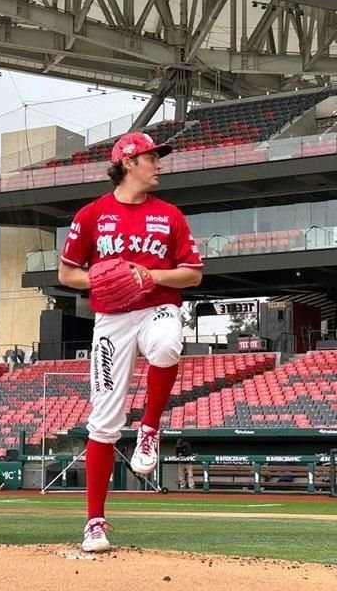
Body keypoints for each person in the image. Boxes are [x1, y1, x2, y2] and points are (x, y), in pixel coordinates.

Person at [57, 132, 203, 552]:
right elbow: (68, 275)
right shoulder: (92, 215)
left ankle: (150, 428)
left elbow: (192, 274)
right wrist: (104, 279)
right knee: (103, 422)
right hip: (112, 318)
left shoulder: (169, 215)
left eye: (158, 157)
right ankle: (94, 524)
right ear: (127, 162)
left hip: (158, 306)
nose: (158, 164)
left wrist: (148, 275)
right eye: (151, 158)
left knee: (167, 345)